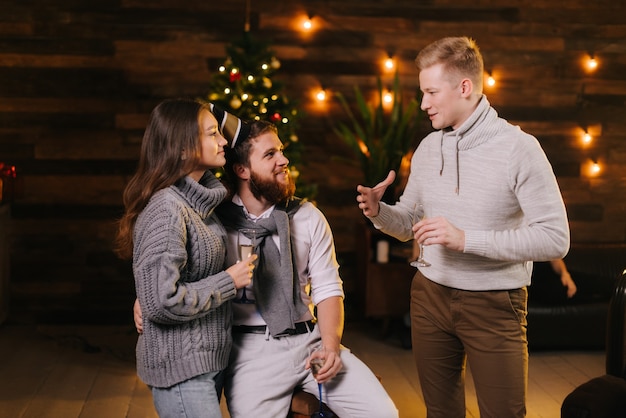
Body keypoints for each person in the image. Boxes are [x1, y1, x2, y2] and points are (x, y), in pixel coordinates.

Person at [356, 36, 570, 418]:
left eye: (431, 92)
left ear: (464, 87)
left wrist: (466, 239)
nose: (423, 104)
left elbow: (555, 238)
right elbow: (408, 224)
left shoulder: (519, 148)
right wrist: (378, 212)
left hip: (494, 303)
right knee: (441, 412)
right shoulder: (427, 148)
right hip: (429, 297)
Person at [136, 118, 398, 418]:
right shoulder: (213, 221)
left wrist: (330, 345)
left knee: (383, 414)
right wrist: (143, 296)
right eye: (270, 154)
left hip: (309, 339)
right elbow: (177, 268)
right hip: (248, 350)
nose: (284, 160)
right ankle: (300, 401)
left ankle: (302, 398)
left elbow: (328, 288)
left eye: (282, 151)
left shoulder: (307, 216)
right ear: (242, 170)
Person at [115, 98, 257, 418]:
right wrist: (228, 282)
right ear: (182, 148)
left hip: (207, 362)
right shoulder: (167, 208)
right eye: (212, 134)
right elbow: (162, 301)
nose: (223, 141)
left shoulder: (200, 202)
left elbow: (158, 288)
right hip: (181, 369)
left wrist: (146, 295)